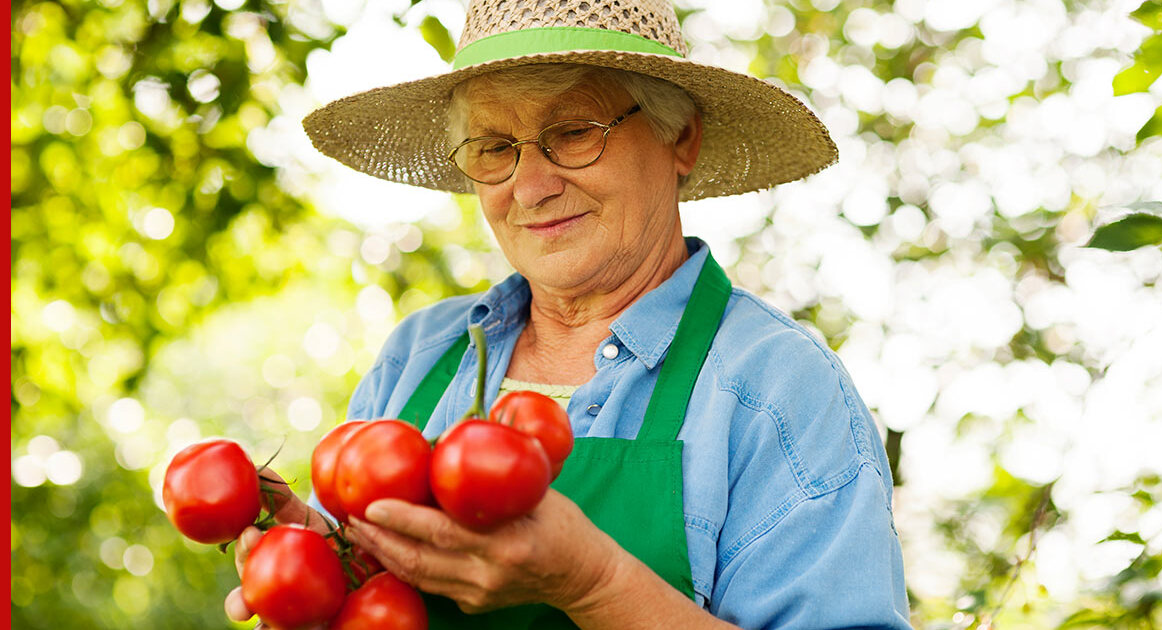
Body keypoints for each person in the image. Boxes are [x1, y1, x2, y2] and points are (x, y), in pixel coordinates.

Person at [225, 0, 913, 628]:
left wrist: (595, 584)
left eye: (575, 131)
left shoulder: (779, 389)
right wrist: (322, 576)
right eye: (496, 148)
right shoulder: (421, 353)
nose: (531, 185)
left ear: (683, 140)